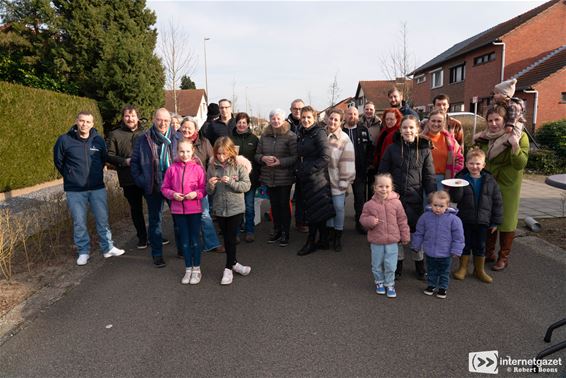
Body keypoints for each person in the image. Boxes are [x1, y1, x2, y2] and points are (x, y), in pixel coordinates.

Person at [53, 111, 125, 266]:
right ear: (76, 121)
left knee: (103, 219)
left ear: (92, 124)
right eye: (81, 121)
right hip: (75, 189)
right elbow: (58, 161)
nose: (84, 124)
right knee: (79, 222)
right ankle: (83, 251)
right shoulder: (64, 140)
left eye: (88, 122)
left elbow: (103, 158)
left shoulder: (98, 140)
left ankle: (108, 247)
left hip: (96, 188)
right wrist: (71, 175)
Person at [378, 115, 435, 280]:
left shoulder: (424, 150)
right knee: (396, 235)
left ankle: (419, 265)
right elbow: (383, 172)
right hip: (395, 200)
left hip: (415, 200)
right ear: (400, 130)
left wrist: (432, 197)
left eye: (411, 127)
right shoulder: (392, 149)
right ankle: (398, 266)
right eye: (405, 128)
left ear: (417, 129)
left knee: (417, 234)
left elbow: (429, 177)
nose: (408, 130)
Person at [474, 106, 529, 271]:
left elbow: (520, 163)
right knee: (489, 217)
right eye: (490, 120)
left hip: (508, 184)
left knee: (507, 220)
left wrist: (514, 146)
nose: (493, 124)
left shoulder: (519, 136)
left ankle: (503, 257)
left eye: (497, 119)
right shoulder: (485, 138)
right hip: (489, 183)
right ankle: (489, 253)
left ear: (505, 120)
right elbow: (478, 159)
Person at [131, 108, 177, 268]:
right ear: (153, 119)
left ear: (170, 121)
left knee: (178, 219)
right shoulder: (143, 139)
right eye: (159, 119)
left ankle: (182, 250)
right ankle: (157, 254)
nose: (163, 123)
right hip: (153, 186)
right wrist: (141, 181)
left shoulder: (176, 137)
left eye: (166, 120)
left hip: (175, 187)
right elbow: (135, 162)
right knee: (155, 221)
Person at [450, 148, 503, 283]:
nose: (475, 166)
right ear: (466, 164)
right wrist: (457, 187)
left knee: (480, 245)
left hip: (483, 220)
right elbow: (455, 199)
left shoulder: (490, 180)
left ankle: (479, 270)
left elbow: (497, 201)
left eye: (478, 164)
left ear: (483, 165)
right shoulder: (460, 178)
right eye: (472, 163)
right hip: (465, 219)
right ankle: (463, 268)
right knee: (465, 244)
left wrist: (495, 221)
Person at [207, 137, 252, 285]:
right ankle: (235, 264)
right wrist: (211, 186)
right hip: (220, 209)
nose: (221, 157)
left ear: (231, 152)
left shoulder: (239, 165)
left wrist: (232, 182)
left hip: (236, 209)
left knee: (231, 239)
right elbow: (208, 191)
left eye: (224, 153)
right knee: (226, 238)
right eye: (218, 153)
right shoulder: (212, 166)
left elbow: (246, 186)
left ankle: (228, 269)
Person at [161, 139, 206, 284]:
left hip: (194, 210)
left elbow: (204, 189)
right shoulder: (172, 169)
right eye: (181, 151)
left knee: (195, 240)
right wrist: (172, 195)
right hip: (178, 211)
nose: (184, 154)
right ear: (177, 152)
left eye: (187, 151)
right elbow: (164, 188)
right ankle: (188, 269)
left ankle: (197, 269)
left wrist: (196, 194)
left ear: (192, 151)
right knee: (184, 241)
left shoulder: (198, 169)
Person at [360, 173, 410, 299]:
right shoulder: (369, 205)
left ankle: (390, 284)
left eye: (387, 186)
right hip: (376, 241)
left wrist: (405, 236)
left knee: (391, 265)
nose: (384, 189)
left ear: (391, 187)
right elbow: (363, 219)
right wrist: (370, 221)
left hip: (392, 241)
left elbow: (402, 220)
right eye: (380, 186)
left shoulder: (397, 203)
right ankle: (379, 282)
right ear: (375, 187)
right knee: (376, 264)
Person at [178, 118, 224, 253]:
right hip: (180, 186)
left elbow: (212, 160)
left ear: (196, 130)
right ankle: (188, 245)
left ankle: (211, 243)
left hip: (199, 185)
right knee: (184, 217)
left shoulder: (204, 142)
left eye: (189, 128)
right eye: (184, 127)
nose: (186, 130)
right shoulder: (175, 142)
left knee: (204, 214)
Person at [295, 106, 336, 256]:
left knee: (314, 211)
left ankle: (311, 242)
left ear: (314, 118)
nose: (305, 120)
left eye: (308, 117)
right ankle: (323, 240)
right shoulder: (302, 132)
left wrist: (307, 170)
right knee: (317, 209)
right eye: (303, 117)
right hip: (307, 177)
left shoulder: (318, 133)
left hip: (317, 178)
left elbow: (325, 157)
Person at [106, 105, 147, 249]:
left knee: (155, 208)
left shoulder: (146, 133)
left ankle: (157, 234)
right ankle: (142, 237)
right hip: (128, 178)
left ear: (138, 117)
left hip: (147, 177)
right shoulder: (115, 134)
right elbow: (109, 155)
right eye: (127, 116)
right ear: (123, 118)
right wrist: (124, 161)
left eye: (133, 116)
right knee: (136, 209)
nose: (130, 119)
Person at [255, 109, 297, 246]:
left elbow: (295, 157)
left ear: (283, 119)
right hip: (269, 177)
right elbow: (257, 155)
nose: (276, 121)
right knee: (274, 206)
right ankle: (277, 230)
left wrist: (281, 162)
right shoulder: (264, 136)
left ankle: (285, 233)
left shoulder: (290, 136)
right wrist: (263, 158)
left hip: (284, 177)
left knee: (284, 206)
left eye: (278, 118)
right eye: (273, 118)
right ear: (270, 119)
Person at [412, 191, 465, 299]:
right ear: (431, 204)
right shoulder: (425, 217)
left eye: (441, 206)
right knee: (431, 270)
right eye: (435, 205)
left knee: (444, 272)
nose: (438, 208)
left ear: (447, 206)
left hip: (446, 253)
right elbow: (419, 233)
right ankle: (431, 285)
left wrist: (456, 250)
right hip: (430, 252)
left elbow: (458, 237)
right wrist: (416, 245)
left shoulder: (454, 220)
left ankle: (442, 288)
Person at [325, 108, 355, 252]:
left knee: (338, 207)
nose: (332, 121)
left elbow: (348, 161)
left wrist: (344, 182)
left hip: (337, 180)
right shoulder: (322, 135)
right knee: (327, 207)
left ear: (341, 122)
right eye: (331, 118)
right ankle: (329, 234)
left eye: (336, 119)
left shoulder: (344, 138)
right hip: (322, 180)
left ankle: (338, 235)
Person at [476, 79, 526, 159]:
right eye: (495, 93)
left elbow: (513, 116)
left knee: (517, 130)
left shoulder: (513, 105)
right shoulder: (500, 103)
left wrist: (510, 125)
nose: (495, 95)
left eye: (497, 93)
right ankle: (486, 138)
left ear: (506, 94)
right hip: (507, 121)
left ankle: (512, 141)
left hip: (516, 121)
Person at [230, 112, 260, 242]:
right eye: (239, 122)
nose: (241, 125)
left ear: (248, 124)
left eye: (244, 122)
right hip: (234, 179)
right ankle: (235, 232)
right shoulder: (229, 138)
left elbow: (258, 159)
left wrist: (258, 176)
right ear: (235, 123)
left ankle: (249, 230)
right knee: (236, 208)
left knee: (249, 206)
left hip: (250, 179)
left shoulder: (254, 139)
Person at [343, 106, 372, 234]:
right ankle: (338, 225)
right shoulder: (341, 130)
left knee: (360, 199)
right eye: (350, 114)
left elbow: (370, 148)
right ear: (345, 115)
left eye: (355, 114)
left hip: (359, 171)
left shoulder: (363, 130)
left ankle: (360, 223)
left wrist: (367, 164)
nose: (352, 116)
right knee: (340, 200)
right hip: (342, 172)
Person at [422, 109, 464, 190]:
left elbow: (460, 159)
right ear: (428, 122)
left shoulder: (450, 140)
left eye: (439, 121)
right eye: (433, 121)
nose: (436, 124)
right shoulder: (421, 139)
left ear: (444, 123)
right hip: (424, 180)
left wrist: (454, 173)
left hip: (444, 181)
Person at [286, 98, 308, 232]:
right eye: (295, 108)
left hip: (302, 165)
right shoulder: (284, 124)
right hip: (286, 164)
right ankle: (283, 225)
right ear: (291, 110)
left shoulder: (308, 123)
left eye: (300, 108)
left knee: (301, 196)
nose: (298, 111)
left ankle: (301, 222)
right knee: (283, 197)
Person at [360, 101, 382, 200]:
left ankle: (371, 208)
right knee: (361, 187)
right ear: (364, 110)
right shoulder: (358, 123)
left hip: (374, 159)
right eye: (367, 109)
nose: (369, 111)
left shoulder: (380, 124)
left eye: (371, 109)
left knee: (372, 186)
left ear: (374, 111)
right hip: (361, 158)